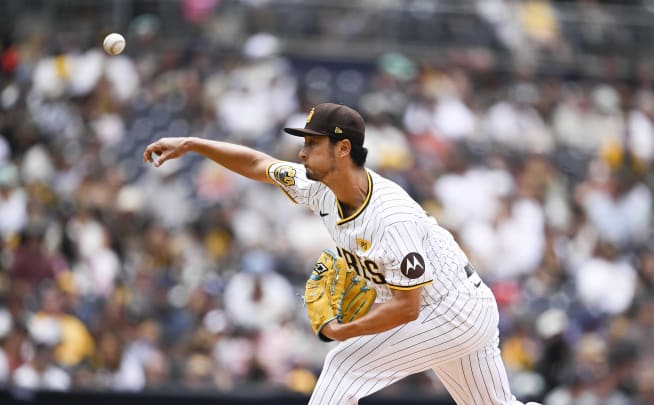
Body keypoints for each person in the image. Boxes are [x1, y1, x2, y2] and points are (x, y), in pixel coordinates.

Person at [144, 103, 538, 405]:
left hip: (452, 309)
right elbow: (259, 164)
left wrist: (341, 331)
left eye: (312, 143)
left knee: (343, 363)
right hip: (458, 308)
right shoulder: (320, 185)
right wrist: (193, 144)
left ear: (343, 148)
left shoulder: (390, 217)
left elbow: (407, 308)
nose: (301, 153)